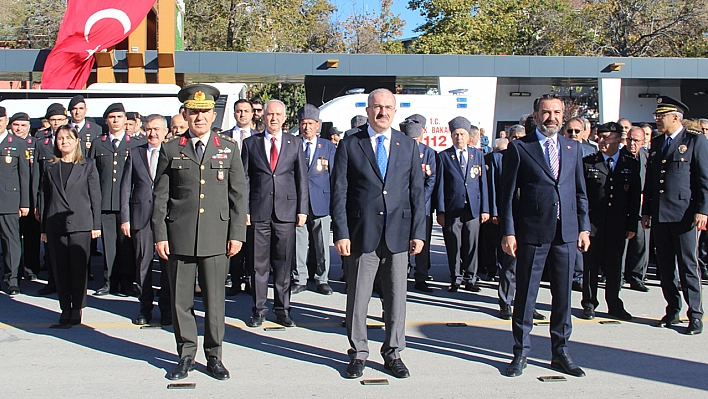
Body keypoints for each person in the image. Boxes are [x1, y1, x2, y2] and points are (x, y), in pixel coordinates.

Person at [152, 84, 247, 380]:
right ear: (185, 114)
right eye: (194, 112)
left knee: (215, 301)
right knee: (181, 301)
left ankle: (214, 356)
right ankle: (185, 355)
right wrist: (160, 234)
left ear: (213, 114)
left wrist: (237, 233)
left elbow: (238, 194)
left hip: (217, 236)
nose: (199, 117)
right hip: (179, 235)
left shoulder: (227, 148)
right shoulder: (171, 148)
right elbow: (160, 197)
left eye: (205, 112)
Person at [331, 88, 425, 379]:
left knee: (397, 298)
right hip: (362, 234)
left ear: (394, 112)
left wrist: (419, 233)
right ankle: (358, 353)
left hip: (398, 233)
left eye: (388, 108)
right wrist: (341, 232)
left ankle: (393, 352)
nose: (382, 112)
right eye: (377, 107)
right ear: (368, 109)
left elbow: (417, 193)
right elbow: (340, 191)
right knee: (358, 298)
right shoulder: (350, 144)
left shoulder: (407, 145)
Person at [500, 94, 590, 378]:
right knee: (526, 295)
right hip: (532, 233)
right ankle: (520, 353)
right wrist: (508, 231)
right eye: (546, 112)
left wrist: (584, 227)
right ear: (536, 115)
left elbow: (580, 193)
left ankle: (560, 352)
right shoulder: (519, 149)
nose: (552, 117)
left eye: (557, 112)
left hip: (566, 234)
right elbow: (507, 197)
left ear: (563, 115)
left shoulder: (573, 148)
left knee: (562, 297)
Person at [642, 96, 707, 335]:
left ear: (675, 117)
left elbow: (703, 180)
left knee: (688, 265)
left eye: (661, 116)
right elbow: (650, 182)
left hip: (684, 215)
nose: (657, 120)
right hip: (660, 214)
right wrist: (646, 211)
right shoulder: (658, 144)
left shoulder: (694, 141)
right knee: (665, 268)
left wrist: (703, 210)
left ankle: (695, 314)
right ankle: (672, 310)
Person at [241, 99, 308, 328]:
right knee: (258, 265)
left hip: (286, 212)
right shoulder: (251, 144)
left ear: (284, 117)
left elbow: (302, 179)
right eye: (270, 114)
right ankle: (259, 309)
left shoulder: (294, 143)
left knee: (283, 264)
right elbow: (245, 179)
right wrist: (245, 210)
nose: (274, 118)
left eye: (278, 114)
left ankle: (283, 309)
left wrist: (302, 210)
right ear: (263, 117)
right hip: (259, 212)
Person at [38, 125, 101, 326]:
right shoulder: (50, 166)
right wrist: (43, 229)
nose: (64, 141)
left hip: (80, 223)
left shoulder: (88, 165)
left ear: (76, 141)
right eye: (60, 138)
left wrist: (96, 224)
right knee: (60, 269)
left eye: (68, 138)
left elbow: (95, 196)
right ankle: (65, 307)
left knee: (78, 269)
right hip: (55, 223)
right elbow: (44, 198)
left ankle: (77, 308)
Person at [580, 122, 641, 321]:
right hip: (594, 224)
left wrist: (632, 225)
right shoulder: (589, 162)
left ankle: (614, 303)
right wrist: (583, 226)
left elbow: (633, 198)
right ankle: (589, 303)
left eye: (606, 137)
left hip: (618, 224)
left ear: (618, 139)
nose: (601, 141)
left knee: (615, 267)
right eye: (599, 137)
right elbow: (582, 196)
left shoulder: (629, 163)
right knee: (591, 266)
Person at [120, 115, 172, 326]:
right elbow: (125, 188)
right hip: (140, 217)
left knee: (168, 266)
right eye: (149, 129)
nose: (153, 133)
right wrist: (125, 218)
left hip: (167, 219)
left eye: (157, 129)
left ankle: (167, 309)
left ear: (165, 131)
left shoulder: (172, 153)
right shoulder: (135, 153)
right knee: (143, 265)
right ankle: (145, 308)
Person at [89, 103, 144, 296]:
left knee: (127, 246)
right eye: (112, 117)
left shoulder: (136, 144)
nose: (115, 121)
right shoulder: (98, 143)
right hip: (105, 203)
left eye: (119, 117)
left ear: (125, 121)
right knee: (109, 246)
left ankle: (127, 282)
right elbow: (92, 173)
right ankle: (109, 281)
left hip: (127, 204)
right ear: (106, 120)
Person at [435, 118, 489, 293]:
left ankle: (470, 278)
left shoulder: (478, 155)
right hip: (452, 209)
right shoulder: (443, 156)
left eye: (462, 134)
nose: (459, 137)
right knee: (453, 244)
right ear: (451, 136)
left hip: (473, 208)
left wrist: (485, 209)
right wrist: (441, 211)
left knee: (472, 244)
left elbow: (483, 184)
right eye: (456, 134)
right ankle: (455, 278)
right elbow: (440, 185)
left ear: (469, 137)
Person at [292, 104, 336, 295]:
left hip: (321, 201)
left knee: (321, 244)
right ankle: (299, 278)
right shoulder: (292, 144)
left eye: (310, 123)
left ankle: (322, 278)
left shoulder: (327, 146)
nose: (306, 127)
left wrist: (335, 204)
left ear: (317, 125)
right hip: (297, 203)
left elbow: (334, 176)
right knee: (298, 243)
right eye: (303, 123)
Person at [400, 115, 436, 293]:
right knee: (401, 242)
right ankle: (401, 275)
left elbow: (431, 179)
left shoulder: (429, 153)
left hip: (423, 206)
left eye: (415, 139)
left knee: (422, 242)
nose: (412, 142)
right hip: (402, 206)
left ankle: (421, 276)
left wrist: (420, 201)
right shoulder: (399, 151)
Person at [0, 107, 30, 295]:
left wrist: (24, 202)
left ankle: (12, 279)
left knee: (11, 241)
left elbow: (24, 176)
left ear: (5, 120)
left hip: (8, 199)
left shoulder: (17, 144)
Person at [9, 113, 40, 282]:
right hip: (12, 197)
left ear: (29, 126)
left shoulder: (35, 144)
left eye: (23, 125)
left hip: (31, 195)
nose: (19, 129)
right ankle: (14, 268)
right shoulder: (7, 145)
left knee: (31, 235)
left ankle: (30, 268)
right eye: (16, 125)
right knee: (12, 236)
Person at [622, 126, 650, 291]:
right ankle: (619, 275)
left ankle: (637, 277)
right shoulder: (621, 157)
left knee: (641, 242)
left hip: (642, 205)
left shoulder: (648, 157)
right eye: (630, 140)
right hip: (624, 204)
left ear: (643, 142)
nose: (632, 143)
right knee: (623, 243)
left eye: (636, 140)